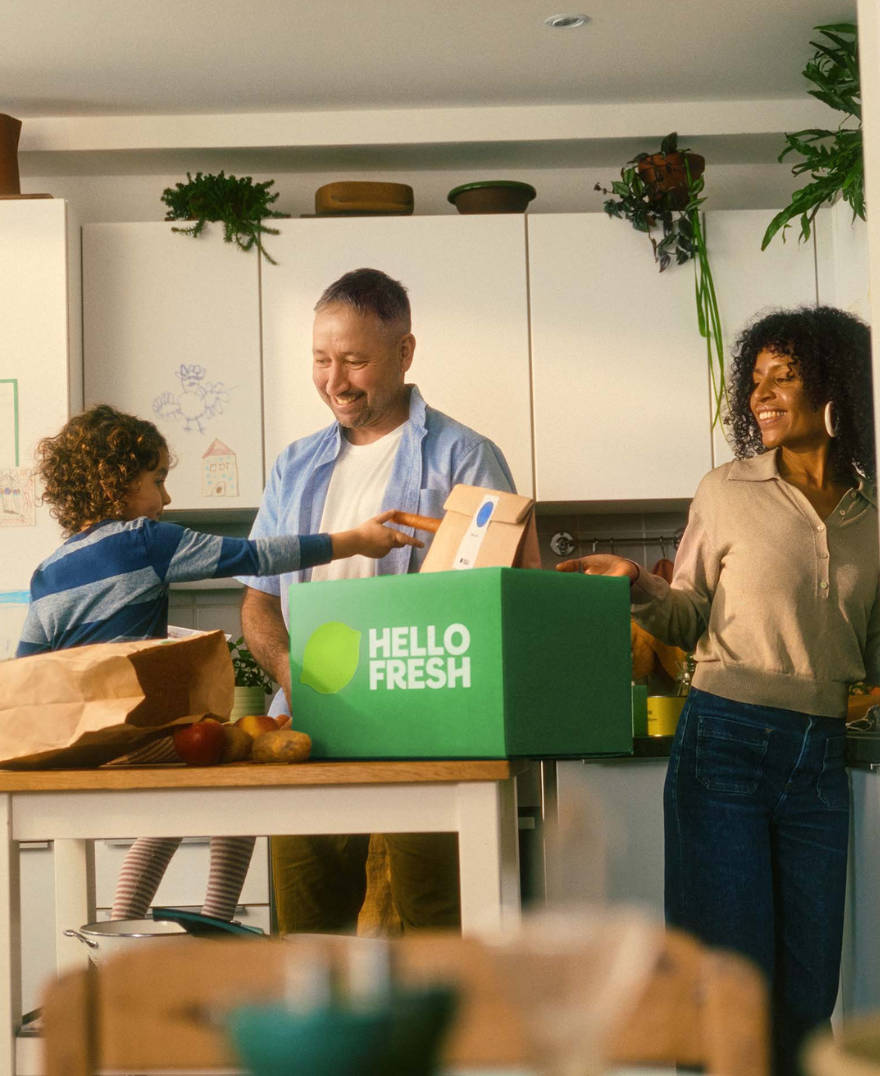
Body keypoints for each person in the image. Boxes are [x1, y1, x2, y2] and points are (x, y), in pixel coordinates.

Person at [557, 306, 878, 1076]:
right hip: (725, 744)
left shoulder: (873, 513)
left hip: (818, 757)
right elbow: (688, 610)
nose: (763, 395)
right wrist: (635, 583)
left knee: (807, 994)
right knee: (725, 987)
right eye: (756, 380)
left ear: (837, 387)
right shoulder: (726, 490)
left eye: (785, 376)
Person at [16, 403, 420, 921]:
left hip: (85, 749)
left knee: (165, 819)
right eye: (157, 480)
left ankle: (116, 930)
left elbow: (27, 672)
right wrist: (354, 541)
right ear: (116, 480)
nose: (166, 498)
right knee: (242, 773)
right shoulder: (147, 542)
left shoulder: (47, 572)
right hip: (141, 736)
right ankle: (217, 921)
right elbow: (256, 557)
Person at [238, 267, 514, 934]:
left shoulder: (466, 458)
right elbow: (259, 603)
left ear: (404, 352)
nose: (334, 381)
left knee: (435, 931)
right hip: (305, 729)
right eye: (321, 359)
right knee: (308, 940)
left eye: (355, 361)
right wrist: (296, 679)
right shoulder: (293, 466)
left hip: (426, 737)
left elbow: (491, 609)